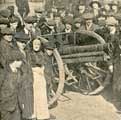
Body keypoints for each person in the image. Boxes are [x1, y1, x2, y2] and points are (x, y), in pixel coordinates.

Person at [0, 26, 23, 120]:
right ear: (3, 35)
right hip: (5, 68)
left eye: (11, 35)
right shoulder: (2, 45)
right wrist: (9, 67)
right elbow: (3, 60)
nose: (9, 36)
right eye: (7, 35)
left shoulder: (11, 44)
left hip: (12, 66)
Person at [14, 31, 34, 120]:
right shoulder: (14, 53)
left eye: (25, 42)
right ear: (16, 42)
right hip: (19, 81)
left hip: (28, 81)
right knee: (19, 103)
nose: (23, 44)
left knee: (28, 102)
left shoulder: (27, 52)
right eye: (21, 42)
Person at [30, 38, 50, 120]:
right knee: (34, 94)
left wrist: (42, 69)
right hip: (33, 74)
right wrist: (35, 70)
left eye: (38, 45)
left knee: (41, 94)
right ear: (32, 45)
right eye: (35, 44)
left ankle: (42, 115)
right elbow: (28, 64)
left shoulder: (42, 54)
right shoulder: (29, 54)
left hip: (41, 76)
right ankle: (34, 114)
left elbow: (44, 64)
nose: (36, 46)